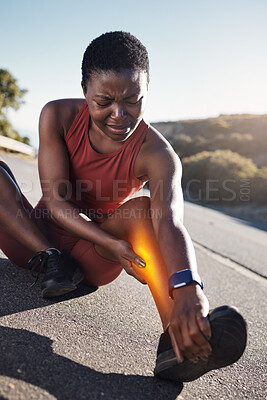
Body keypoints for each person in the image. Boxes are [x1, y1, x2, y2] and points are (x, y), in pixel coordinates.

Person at [0, 31, 246, 383]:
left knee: (146, 210)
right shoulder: (57, 114)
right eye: (104, 101)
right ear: (85, 90)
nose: (119, 115)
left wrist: (189, 287)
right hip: (31, 242)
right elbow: (55, 201)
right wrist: (63, 251)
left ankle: (178, 341)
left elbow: (169, 222)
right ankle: (53, 257)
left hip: (93, 255)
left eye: (133, 100)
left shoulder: (159, 155)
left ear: (147, 90)